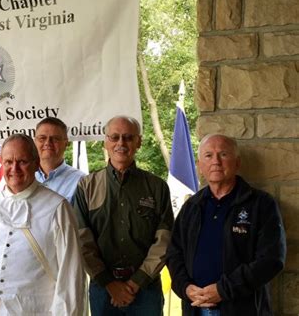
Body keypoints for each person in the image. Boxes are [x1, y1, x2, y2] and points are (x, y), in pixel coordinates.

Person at [0, 134, 85, 315]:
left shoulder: (57, 208)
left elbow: (71, 274)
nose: (14, 168)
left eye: (22, 161)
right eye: (8, 162)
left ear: (36, 163)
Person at [166, 134, 286, 316]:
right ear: (199, 166)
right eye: (208, 155)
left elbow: (271, 259)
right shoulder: (192, 206)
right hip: (196, 308)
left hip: (242, 309)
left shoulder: (260, 204)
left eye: (223, 154)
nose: (216, 161)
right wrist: (186, 288)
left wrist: (223, 290)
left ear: (237, 163)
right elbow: (174, 254)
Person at [73, 115, 174, 315]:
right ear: (105, 142)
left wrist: (137, 282)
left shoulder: (156, 187)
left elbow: (164, 240)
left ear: (139, 142)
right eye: (115, 137)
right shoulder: (87, 186)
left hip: (146, 289)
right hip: (103, 289)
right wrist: (109, 284)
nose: (121, 143)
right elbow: (81, 240)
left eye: (128, 137)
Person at [34, 117, 86, 203]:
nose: (47, 143)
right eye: (42, 138)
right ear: (35, 141)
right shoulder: (23, 177)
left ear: (66, 143)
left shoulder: (81, 181)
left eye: (55, 139)